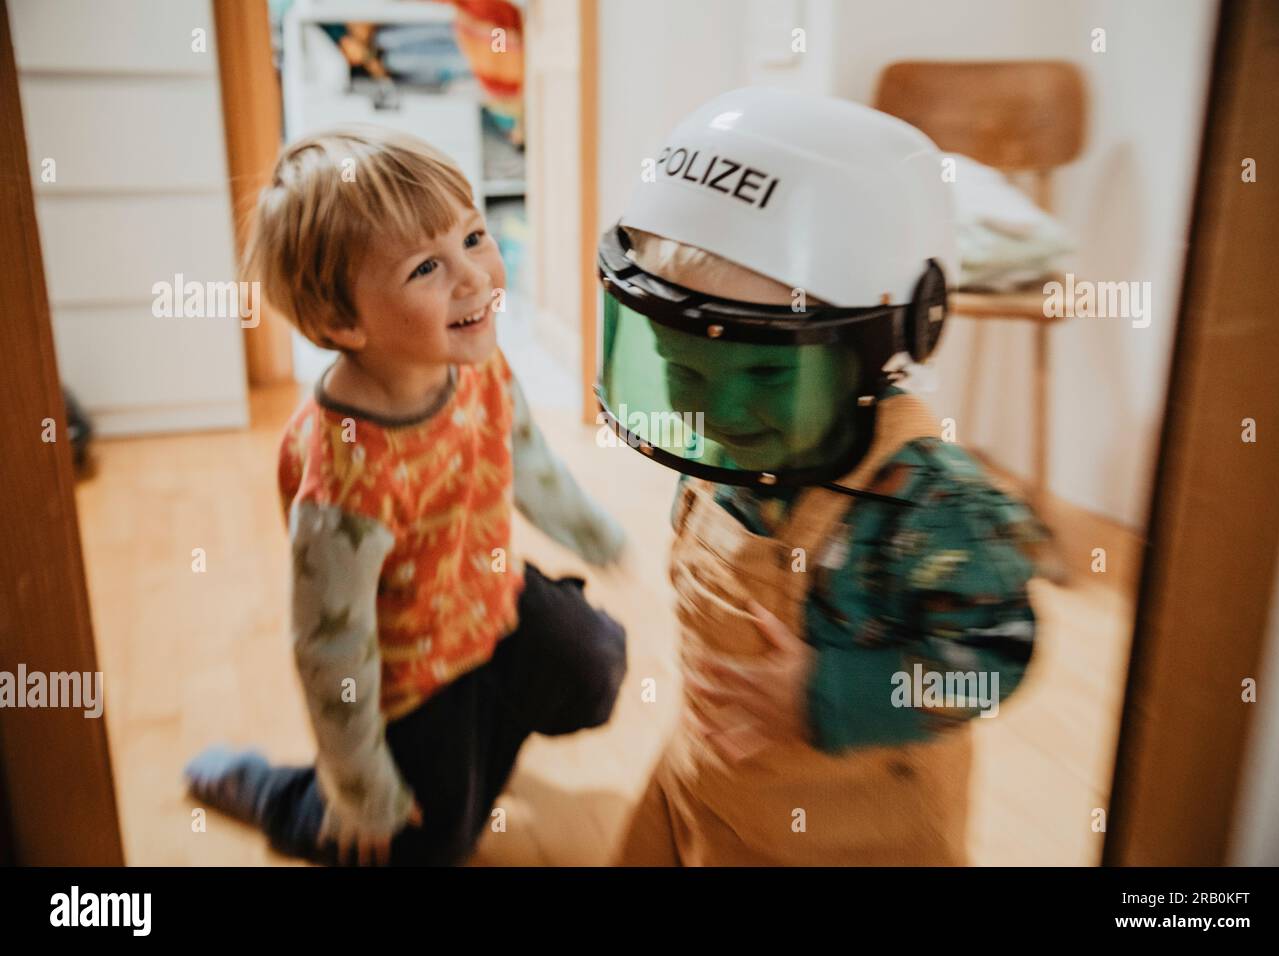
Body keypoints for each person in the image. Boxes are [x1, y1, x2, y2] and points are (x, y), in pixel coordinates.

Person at [600, 87, 1048, 865]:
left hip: (854, 839)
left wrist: (833, 695)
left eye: (769, 373)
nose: (721, 414)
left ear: (888, 338)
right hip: (705, 789)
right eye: (685, 372)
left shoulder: (930, 504)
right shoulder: (713, 457)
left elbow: (996, 663)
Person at [185, 125, 627, 866]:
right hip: (410, 676)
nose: (475, 278)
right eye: (427, 267)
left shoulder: (475, 360)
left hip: (489, 600)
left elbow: (526, 455)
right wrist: (359, 785)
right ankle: (277, 793)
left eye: (474, 237)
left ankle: (491, 741)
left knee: (595, 665)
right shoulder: (345, 475)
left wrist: (594, 532)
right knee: (423, 843)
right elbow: (331, 650)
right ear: (340, 323)